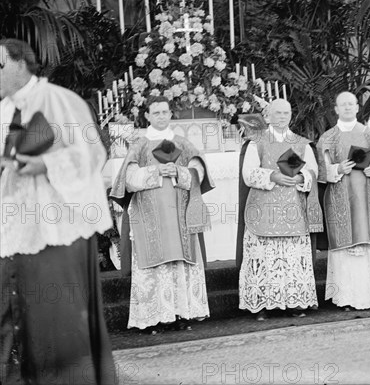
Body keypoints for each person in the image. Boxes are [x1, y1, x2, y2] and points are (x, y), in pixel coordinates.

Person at [0, 38, 117, 384]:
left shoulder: (61, 101)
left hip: (56, 230)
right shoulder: (3, 111)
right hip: (11, 228)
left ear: (21, 63)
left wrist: (45, 164)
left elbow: (92, 155)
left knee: (57, 323)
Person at [110, 96, 215, 330]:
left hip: (181, 215)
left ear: (170, 115)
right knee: (154, 263)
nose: (161, 116)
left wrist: (178, 171)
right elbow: (129, 180)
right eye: (155, 112)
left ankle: (181, 314)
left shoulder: (183, 143)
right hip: (149, 217)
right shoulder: (140, 145)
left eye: (164, 112)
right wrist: (156, 171)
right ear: (146, 116)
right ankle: (152, 318)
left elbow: (198, 173)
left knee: (180, 261)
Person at [238, 99, 323, 321]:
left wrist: (301, 177)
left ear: (291, 115)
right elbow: (248, 173)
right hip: (264, 207)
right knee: (264, 256)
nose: (282, 116)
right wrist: (272, 176)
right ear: (268, 115)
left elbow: (313, 171)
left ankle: (294, 302)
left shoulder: (301, 143)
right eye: (277, 113)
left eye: (286, 112)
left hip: (293, 206)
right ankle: (262, 305)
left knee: (292, 258)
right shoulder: (256, 141)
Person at [316, 91, 370, 310]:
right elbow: (321, 171)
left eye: (351, 104)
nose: (348, 108)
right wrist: (337, 168)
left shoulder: (369, 134)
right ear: (336, 109)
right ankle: (347, 298)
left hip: (367, 200)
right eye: (343, 105)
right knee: (345, 247)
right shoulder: (328, 138)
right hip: (340, 199)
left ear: (356, 107)